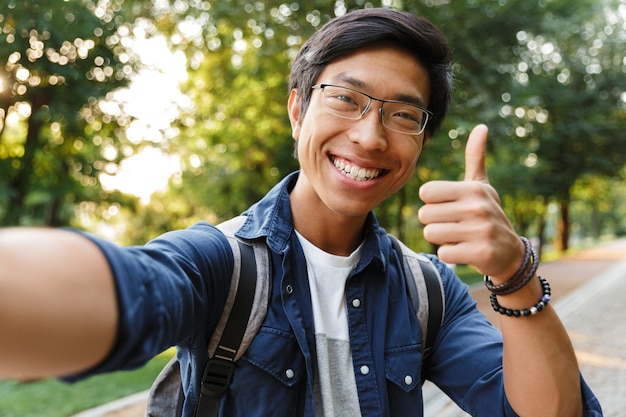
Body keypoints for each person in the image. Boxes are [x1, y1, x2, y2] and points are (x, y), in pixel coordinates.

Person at [0, 8, 602, 417]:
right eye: (345, 98)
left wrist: (513, 272)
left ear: (421, 143)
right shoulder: (219, 264)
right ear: (297, 110)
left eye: (402, 114)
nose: (370, 136)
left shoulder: (428, 291)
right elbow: (125, 292)